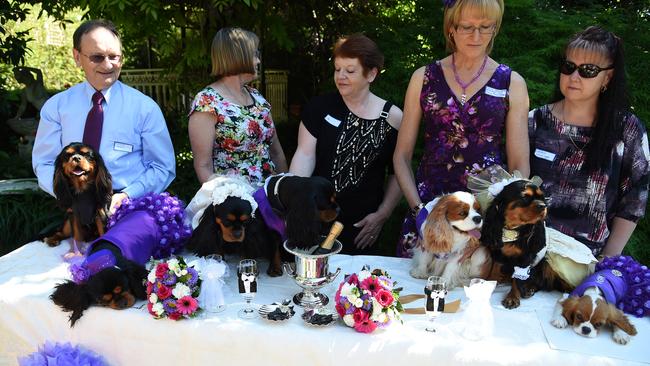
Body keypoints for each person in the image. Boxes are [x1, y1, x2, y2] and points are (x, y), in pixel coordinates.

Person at [393, 0, 530, 257]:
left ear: (495, 28)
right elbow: (401, 156)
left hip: (484, 217)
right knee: (417, 290)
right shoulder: (423, 78)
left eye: (485, 27)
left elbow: (519, 164)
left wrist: (505, 217)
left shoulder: (512, 83)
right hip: (429, 210)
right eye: (467, 27)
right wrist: (419, 212)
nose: (476, 36)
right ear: (451, 28)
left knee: (473, 293)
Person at [529, 26, 649, 258]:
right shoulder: (535, 121)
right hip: (532, 253)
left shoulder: (627, 129)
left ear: (608, 77)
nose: (574, 77)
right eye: (569, 67)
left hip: (590, 259)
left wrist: (607, 260)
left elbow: (635, 199)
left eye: (588, 70)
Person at [32, 19, 176, 212]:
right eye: (97, 57)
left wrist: (127, 196)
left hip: (130, 207)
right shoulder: (57, 107)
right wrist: (69, 196)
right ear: (77, 57)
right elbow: (45, 162)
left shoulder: (144, 108)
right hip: (72, 206)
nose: (108, 65)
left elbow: (162, 167)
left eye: (114, 56)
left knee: (112, 243)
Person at [290, 34, 403, 255]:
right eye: (337, 69)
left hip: (362, 227)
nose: (340, 76)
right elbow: (304, 155)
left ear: (371, 73)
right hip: (316, 216)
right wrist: (296, 202)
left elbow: (399, 171)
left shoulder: (393, 117)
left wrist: (383, 214)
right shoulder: (320, 107)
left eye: (350, 71)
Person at [188, 27, 288, 186]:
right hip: (237, 202)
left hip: (270, 199)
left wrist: (286, 192)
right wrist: (226, 199)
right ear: (239, 56)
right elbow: (203, 166)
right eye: (255, 54)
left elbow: (277, 153)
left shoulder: (257, 97)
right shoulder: (207, 102)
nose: (258, 61)